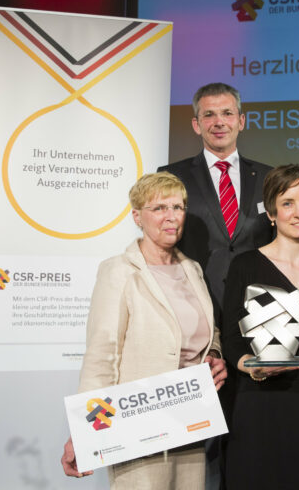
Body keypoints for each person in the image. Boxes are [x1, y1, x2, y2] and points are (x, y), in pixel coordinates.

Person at [60, 172, 228, 490]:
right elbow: (102, 355)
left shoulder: (192, 269)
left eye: (177, 207)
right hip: (136, 428)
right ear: (137, 216)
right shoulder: (118, 271)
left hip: (190, 422)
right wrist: (84, 432)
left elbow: (209, 329)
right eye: (159, 208)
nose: (171, 216)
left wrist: (215, 353)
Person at [222, 165, 299, 490]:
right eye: (288, 203)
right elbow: (232, 340)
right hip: (259, 408)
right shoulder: (245, 266)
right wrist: (252, 367)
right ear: (272, 213)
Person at [159, 82, 272, 308]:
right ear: (196, 125)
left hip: (258, 302)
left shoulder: (268, 177)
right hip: (192, 301)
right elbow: (161, 241)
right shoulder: (171, 176)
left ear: (241, 121)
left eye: (227, 113)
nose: (219, 122)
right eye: (209, 115)